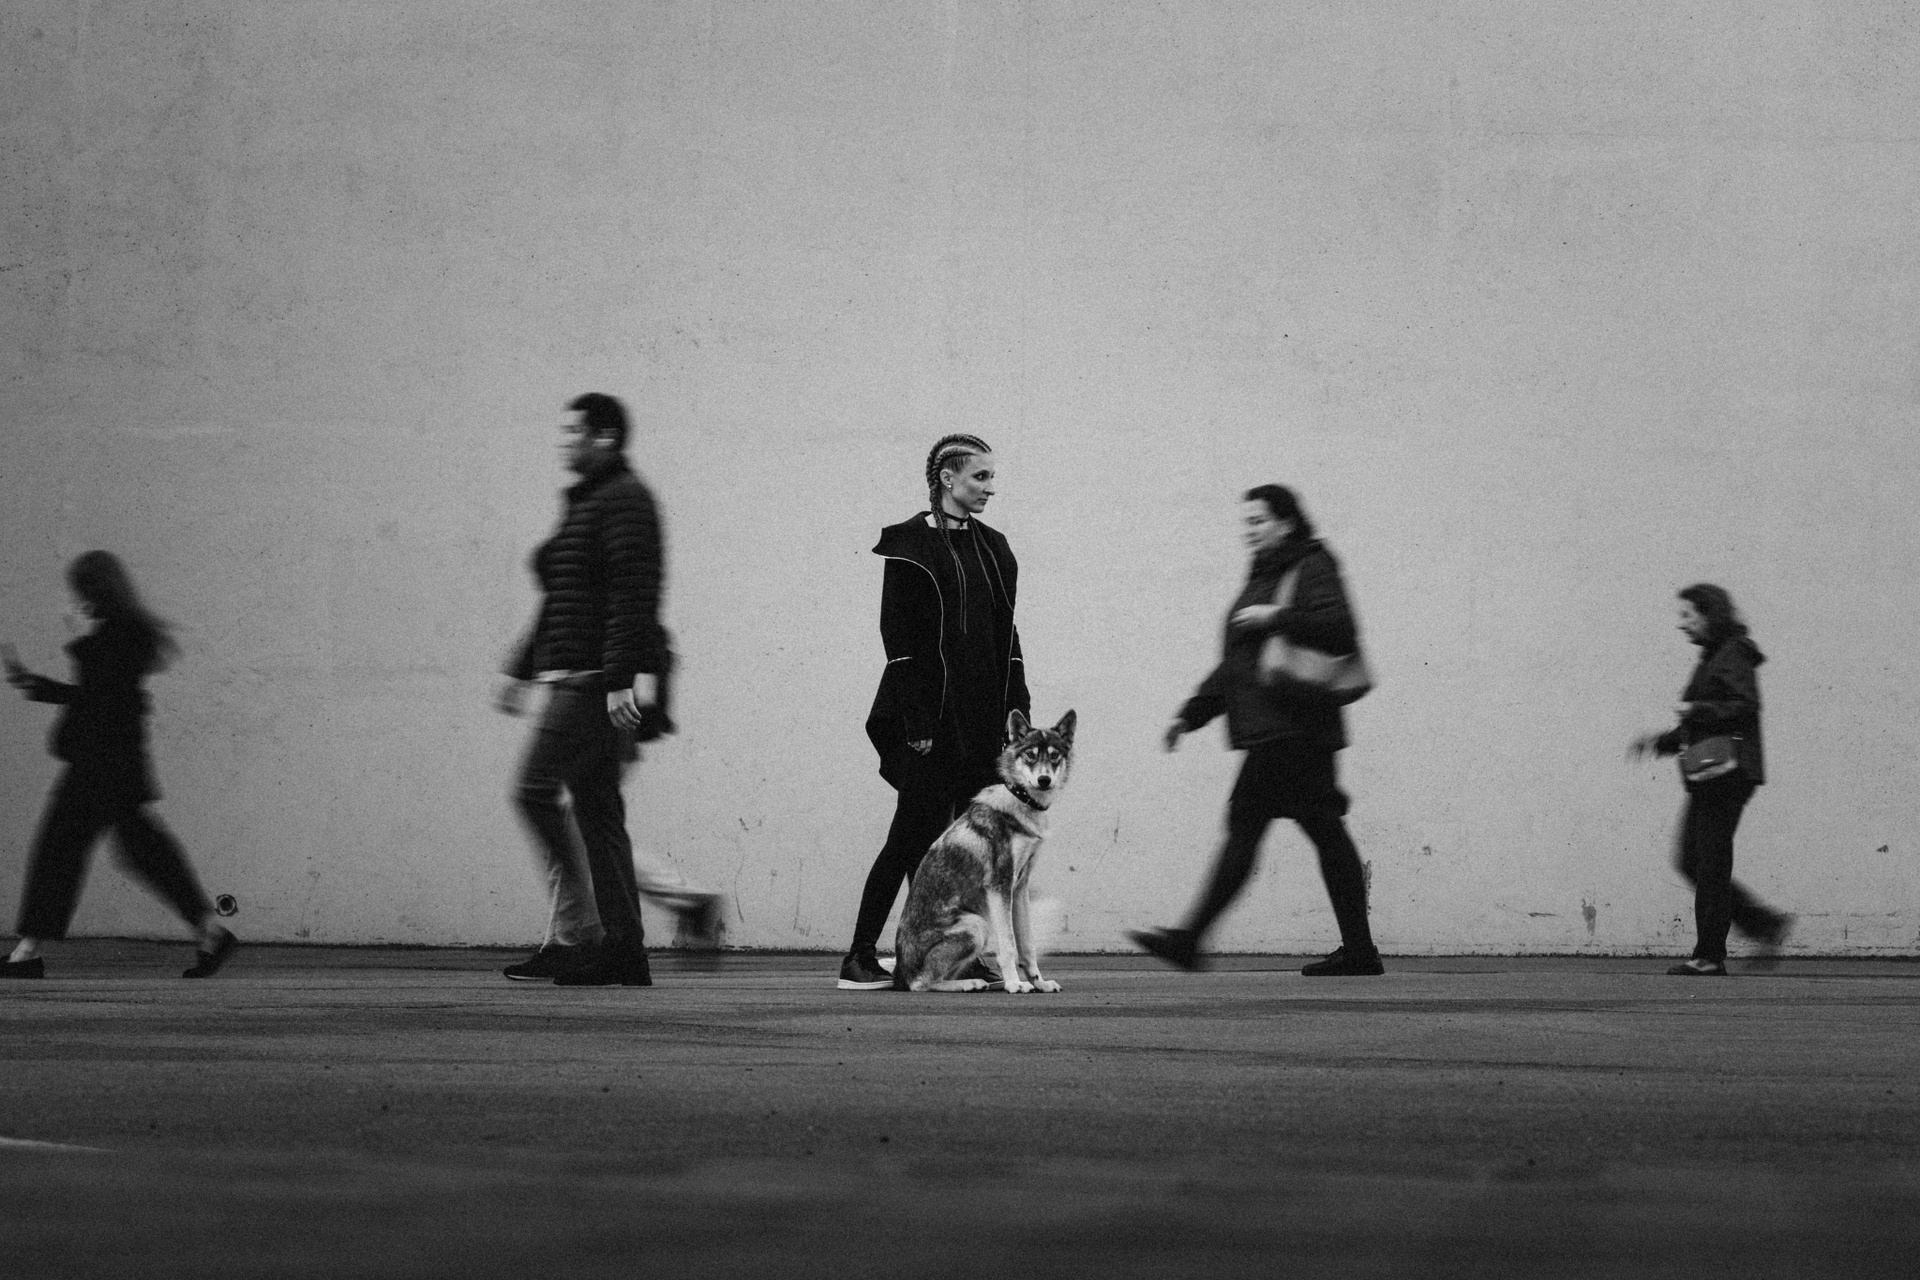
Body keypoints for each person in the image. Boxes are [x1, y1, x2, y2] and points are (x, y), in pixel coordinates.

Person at [496, 392, 716, 986]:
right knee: (596, 812)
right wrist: (521, 668)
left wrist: (620, 681)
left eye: (575, 432)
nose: (564, 441)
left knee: (535, 791)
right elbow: (561, 599)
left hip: (592, 681)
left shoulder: (625, 500)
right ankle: (621, 949)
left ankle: (587, 936)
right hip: (574, 675)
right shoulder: (589, 501)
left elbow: (634, 593)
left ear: (607, 438)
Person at [1130, 485, 1383, 976]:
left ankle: (1191, 939)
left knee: (1256, 828)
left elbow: (1340, 628)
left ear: (1286, 522)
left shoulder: (1311, 564)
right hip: (1280, 730)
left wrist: (1277, 616)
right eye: (1246, 522)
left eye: (1258, 521)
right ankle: (1357, 949)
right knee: (1311, 830)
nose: (1249, 530)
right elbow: (1241, 663)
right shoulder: (1266, 572)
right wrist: (1194, 712)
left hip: (1296, 729)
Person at [839, 434, 1031, 990]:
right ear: (948, 478)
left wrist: (1017, 705)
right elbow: (897, 637)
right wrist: (917, 718)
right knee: (909, 837)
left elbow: (1007, 632)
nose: (990, 488)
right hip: (926, 720)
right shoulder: (908, 546)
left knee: (961, 846)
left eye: (992, 477)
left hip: (980, 719)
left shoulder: (994, 548)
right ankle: (858, 957)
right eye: (980, 477)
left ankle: (953, 955)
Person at [3, 552, 236, 979]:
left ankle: (27, 952)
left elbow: (102, 694)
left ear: (94, 590)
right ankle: (209, 931)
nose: (77, 600)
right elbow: (99, 693)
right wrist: (43, 686)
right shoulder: (123, 631)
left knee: (62, 850)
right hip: (114, 761)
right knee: (140, 850)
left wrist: (77, 641)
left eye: (81, 591)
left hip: (101, 762)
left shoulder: (120, 634)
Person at [1630, 584, 1791, 975]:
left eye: (1688, 615)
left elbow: (1744, 705)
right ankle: (1763, 925)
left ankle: (1710, 955)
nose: (1681, 624)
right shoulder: (1715, 655)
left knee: (1709, 864)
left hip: (1728, 775)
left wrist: (1697, 709)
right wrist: (1660, 742)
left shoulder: (1733, 652)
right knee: (1694, 860)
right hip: (1712, 776)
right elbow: (1701, 721)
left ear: (1710, 614)